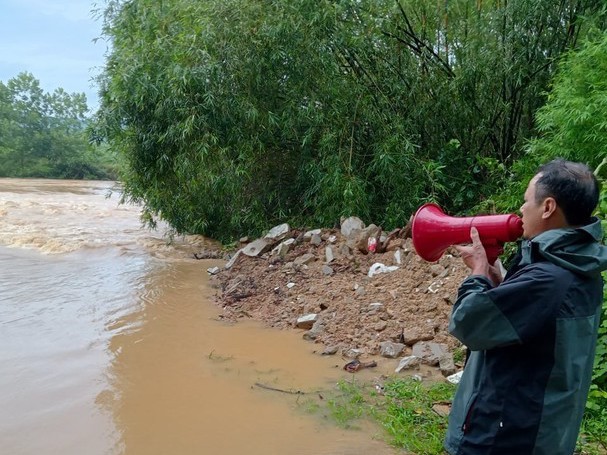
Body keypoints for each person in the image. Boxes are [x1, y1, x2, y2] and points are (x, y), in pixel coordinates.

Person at [444, 159, 607, 455]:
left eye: (525, 201)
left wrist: (479, 272)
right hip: (543, 433)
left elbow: (468, 323)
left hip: (507, 439)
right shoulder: (580, 266)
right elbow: (533, 323)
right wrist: (500, 281)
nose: (521, 209)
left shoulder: (547, 279)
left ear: (547, 207)